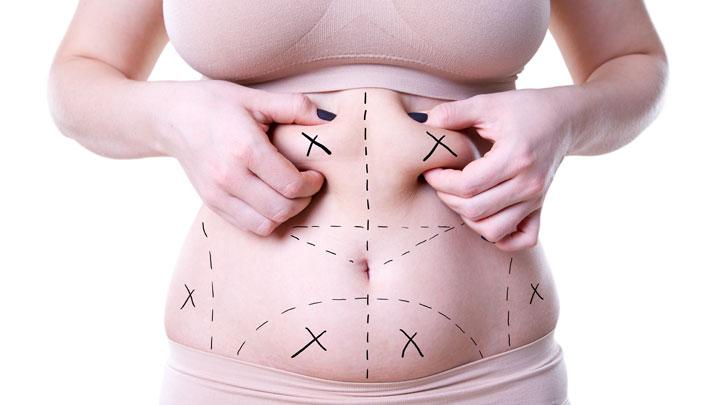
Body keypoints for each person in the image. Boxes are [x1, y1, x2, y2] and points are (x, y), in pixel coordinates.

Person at [47, 1, 667, 404]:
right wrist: (170, 114)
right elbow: (80, 75)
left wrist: (568, 119)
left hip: (491, 377)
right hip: (234, 378)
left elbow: (633, 60)